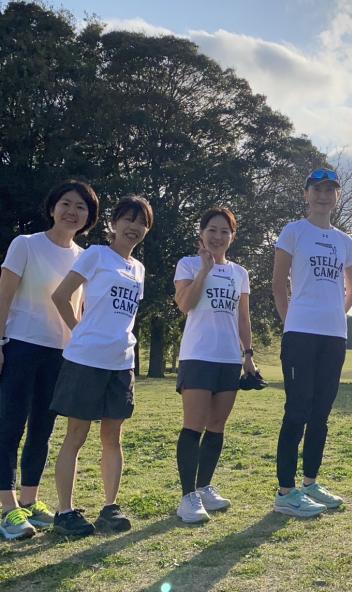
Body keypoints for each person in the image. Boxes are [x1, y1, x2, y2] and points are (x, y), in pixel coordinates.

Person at [0, 180, 99, 540]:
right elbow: (3, 296)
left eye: (81, 207)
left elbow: (81, 308)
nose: (72, 212)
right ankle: (8, 509)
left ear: (89, 217)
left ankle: (30, 500)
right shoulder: (25, 244)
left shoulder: (85, 257)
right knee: (10, 426)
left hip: (62, 353)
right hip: (21, 345)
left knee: (42, 429)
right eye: (66, 203)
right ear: (53, 207)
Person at [50, 195, 152, 536]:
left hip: (121, 362)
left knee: (113, 437)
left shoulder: (138, 268)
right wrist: (79, 330)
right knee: (76, 435)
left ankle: (110, 508)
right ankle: (65, 512)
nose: (134, 227)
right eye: (129, 219)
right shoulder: (96, 254)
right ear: (114, 222)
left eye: (142, 223)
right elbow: (60, 296)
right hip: (86, 360)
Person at [272, 168, 352, 517]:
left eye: (330, 190)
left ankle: (310, 482)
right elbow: (278, 283)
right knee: (297, 410)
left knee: (321, 413)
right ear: (306, 194)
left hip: (334, 336)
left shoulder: (344, 241)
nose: (323, 195)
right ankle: (285, 492)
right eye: (317, 189)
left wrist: (334, 314)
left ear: (337, 196)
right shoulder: (294, 231)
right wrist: (291, 321)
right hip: (300, 334)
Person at [173, 207, 257, 524]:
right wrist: (204, 270)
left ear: (232, 237)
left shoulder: (240, 273)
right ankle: (188, 498)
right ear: (201, 233)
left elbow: (243, 318)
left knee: (217, 426)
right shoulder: (188, 264)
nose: (218, 236)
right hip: (198, 355)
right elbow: (185, 304)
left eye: (224, 231)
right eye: (212, 230)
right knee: (193, 425)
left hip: (228, 358)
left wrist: (248, 354)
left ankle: (204, 486)